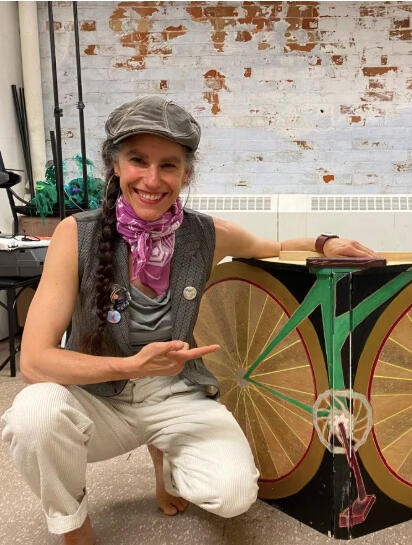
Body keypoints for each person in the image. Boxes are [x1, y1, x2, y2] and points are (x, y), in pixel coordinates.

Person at [1, 95, 378, 545]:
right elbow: (35, 362)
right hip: (98, 397)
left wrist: (326, 242)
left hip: (175, 394)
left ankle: (166, 461)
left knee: (233, 494)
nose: (152, 179)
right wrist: (131, 366)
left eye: (169, 165)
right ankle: (73, 524)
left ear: (186, 174)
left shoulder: (205, 234)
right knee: (34, 414)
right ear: (116, 165)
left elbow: (274, 247)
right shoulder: (76, 234)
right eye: (138, 161)